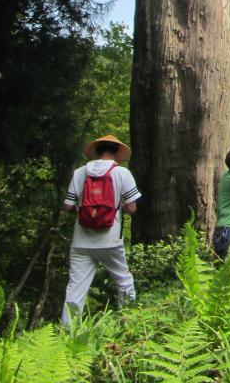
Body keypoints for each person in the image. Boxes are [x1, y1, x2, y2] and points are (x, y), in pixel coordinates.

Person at [61, 134, 141, 326]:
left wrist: (82, 210)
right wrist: (115, 208)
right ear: (117, 153)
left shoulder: (80, 172)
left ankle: (67, 333)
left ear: (96, 151)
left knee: (75, 289)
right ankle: (129, 326)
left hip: (81, 241)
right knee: (123, 280)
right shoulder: (121, 173)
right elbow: (132, 208)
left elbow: (67, 206)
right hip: (110, 240)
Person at [212, 146, 230, 259]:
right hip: (229, 229)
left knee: (223, 267)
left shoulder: (227, 175)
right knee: (229, 266)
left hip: (223, 227)